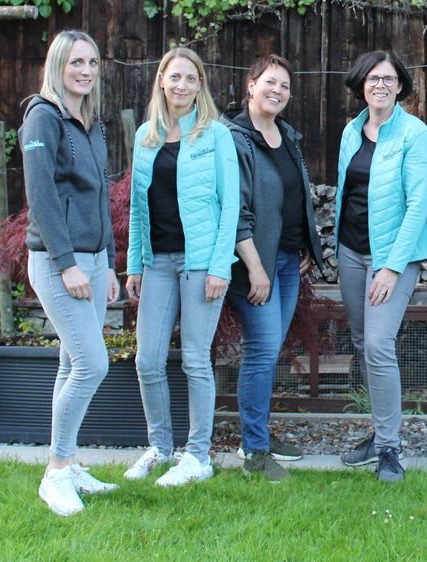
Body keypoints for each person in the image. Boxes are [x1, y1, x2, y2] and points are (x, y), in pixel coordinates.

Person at [122, 47, 239, 489]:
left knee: (194, 360)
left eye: (191, 79)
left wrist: (219, 268)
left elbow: (231, 207)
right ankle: (160, 446)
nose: (182, 86)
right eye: (175, 78)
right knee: (147, 360)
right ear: (162, 81)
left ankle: (198, 455)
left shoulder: (215, 136)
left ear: (200, 85)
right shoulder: (146, 136)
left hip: (200, 263)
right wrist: (135, 263)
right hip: (157, 263)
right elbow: (137, 207)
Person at [21, 30, 120, 516]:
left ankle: (70, 462)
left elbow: (100, 195)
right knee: (91, 364)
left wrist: (109, 260)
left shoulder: (90, 121)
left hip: (94, 258)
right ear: (58, 65)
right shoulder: (43, 117)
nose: (85, 71)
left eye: (92, 63)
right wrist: (66, 265)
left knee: (69, 364)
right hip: (60, 260)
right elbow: (41, 200)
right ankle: (56, 473)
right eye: (76, 62)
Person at [333, 50, 427, 483]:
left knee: (378, 344)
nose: (380, 85)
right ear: (361, 85)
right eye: (373, 78)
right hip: (351, 253)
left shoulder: (416, 134)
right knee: (363, 342)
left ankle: (390, 448)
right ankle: (378, 434)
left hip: (392, 258)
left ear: (400, 86)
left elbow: (417, 205)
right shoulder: (351, 130)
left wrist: (391, 266)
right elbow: (345, 192)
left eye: (388, 79)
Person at [221, 54, 322, 482]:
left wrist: (303, 247)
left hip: (286, 261)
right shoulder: (234, 138)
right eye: (269, 82)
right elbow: (236, 211)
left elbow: (293, 198)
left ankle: (257, 435)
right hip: (254, 266)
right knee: (262, 350)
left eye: (284, 85)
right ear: (250, 85)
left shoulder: (286, 136)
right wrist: (256, 268)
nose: (277, 91)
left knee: (268, 352)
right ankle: (256, 452)